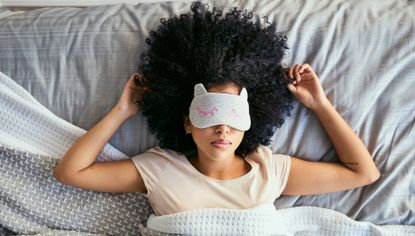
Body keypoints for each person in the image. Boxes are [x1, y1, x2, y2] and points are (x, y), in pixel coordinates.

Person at [53, 2, 380, 216]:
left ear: (250, 122)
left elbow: (363, 172)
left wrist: (319, 105)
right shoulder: (158, 168)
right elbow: (70, 173)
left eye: (233, 116)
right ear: (187, 123)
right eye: (210, 113)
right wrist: (122, 111)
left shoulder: (271, 170)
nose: (223, 128)